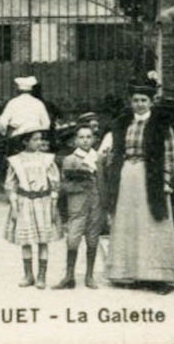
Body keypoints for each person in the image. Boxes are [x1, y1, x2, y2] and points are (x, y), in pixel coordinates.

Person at [104, 79, 174, 292]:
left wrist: (166, 179)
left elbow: (170, 154)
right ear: (130, 102)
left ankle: (158, 275)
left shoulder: (161, 124)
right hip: (127, 176)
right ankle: (130, 273)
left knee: (152, 223)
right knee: (129, 223)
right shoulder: (124, 123)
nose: (139, 104)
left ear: (151, 102)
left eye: (143, 100)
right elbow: (116, 152)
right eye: (136, 100)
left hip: (151, 177)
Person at [3, 127, 61, 289]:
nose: (39, 142)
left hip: (43, 202)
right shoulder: (16, 160)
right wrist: (14, 206)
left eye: (40, 139)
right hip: (24, 202)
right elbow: (10, 185)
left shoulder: (47, 159)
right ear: (25, 141)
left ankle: (42, 275)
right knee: (26, 241)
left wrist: (53, 204)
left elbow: (55, 183)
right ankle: (28, 274)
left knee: (43, 240)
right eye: (35, 139)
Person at [55, 124, 104, 289]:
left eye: (88, 137)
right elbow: (64, 185)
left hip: (96, 202)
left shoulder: (99, 158)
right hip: (77, 202)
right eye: (81, 137)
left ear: (94, 139)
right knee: (73, 238)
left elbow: (104, 181)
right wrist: (81, 183)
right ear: (75, 140)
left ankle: (89, 276)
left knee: (93, 237)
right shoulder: (70, 159)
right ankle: (69, 276)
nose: (85, 140)